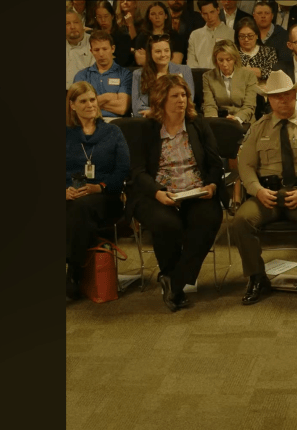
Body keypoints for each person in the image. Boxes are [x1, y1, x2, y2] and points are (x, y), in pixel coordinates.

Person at [233, 71, 297, 305]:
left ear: (295, 95)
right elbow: (245, 165)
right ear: (269, 99)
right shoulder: (258, 129)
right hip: (267, 195)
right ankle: (257, 277)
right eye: (277, 96)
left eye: (287, 95)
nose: (283, 100)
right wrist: (257, 190)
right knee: (242, 220)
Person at [126, 74, 224, 312]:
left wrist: (212, 185)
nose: (181, 100)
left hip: (195, 191)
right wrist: (158, 192)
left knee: (209, 218)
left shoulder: (197, 124)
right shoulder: (147, 129)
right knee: (167, 224)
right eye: (175, 96)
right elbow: (137, 171)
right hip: (158, 194)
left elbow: (215, 164)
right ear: (161, 100)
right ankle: (175, 283)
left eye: (183, 95)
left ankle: (174, 282)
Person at [66, 81, 131, 300]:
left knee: (79, 209)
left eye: (92, 100)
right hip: (71, 195)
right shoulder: (66, 134)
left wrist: (100, 187)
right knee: (73, 206)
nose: (90, 105)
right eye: (83, 101)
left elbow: (123, 170)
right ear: (72, 105)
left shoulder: (113, 132)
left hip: (106, 197)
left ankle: (73, 271)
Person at [132, 34, 196, 117]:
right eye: (158, 51)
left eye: (166, 51)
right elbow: (137, 109)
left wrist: (154, 112)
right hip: (149, 121)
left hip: (176, 119)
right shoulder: (138, 74)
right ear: (150, 53)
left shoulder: (185, 70)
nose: (163, 55)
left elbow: (188, 101)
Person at [74, 30, 132, 118]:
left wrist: (91, 102)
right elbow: (79, 107)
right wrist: (107, 97)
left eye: (105, 49)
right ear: (91, 51)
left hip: (117, 122)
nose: (101, 54)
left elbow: (122, 108)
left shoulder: (125, 74)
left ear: (112, 49)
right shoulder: (81, 76)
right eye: (96, 50)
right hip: (89, 121)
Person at [202, 40, 257, 123]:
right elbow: (209, 105)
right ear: (216, 60)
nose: (224, 64)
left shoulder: (249, 75)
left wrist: (237, 119)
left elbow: (249, 106)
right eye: (220, 60)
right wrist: (214, 121)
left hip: (244, 121)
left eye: (228, 60)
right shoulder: (208, 77)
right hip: (219, 120)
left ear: (235, 59)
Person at [133, 2, 186, 66]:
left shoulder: (175, 36)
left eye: (160, 14)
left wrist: (148, 56)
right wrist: (164, 59)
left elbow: (176, 61)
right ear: (149, 17)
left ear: (166, 16)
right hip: (147, 71)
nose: (157, 17)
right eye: (153, 14)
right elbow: (140, 61)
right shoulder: (142, 36)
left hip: (170, 72)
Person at [187, 1, 235, 69]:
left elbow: (235, 60)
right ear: (201, 14)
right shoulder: (195, 35)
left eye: (212, 12)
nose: (209, 17)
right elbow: (191, 62)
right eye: (205, 14)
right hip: (201, 74)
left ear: (218, 10)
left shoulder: (231, 33)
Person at [91, 1, 135, 68]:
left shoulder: (123, 36)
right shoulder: (92, 36)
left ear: (112, 16)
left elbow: (122, 61)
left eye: (106, 16)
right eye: (99, 17)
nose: (103, 20)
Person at [235, 16, 277, 82]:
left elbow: (272, 73)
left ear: (256, 35)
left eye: (250, 36)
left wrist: (243, 70)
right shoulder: (233, 52)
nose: (246, 39)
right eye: (242, 36)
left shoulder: (268, 52)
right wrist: (258, 71)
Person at [68, 7, 95, 90]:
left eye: (76, 22)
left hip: (85, 91)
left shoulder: (94, 43)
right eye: (67, 24)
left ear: (82, 24)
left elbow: (96, 75)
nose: (72, 27)